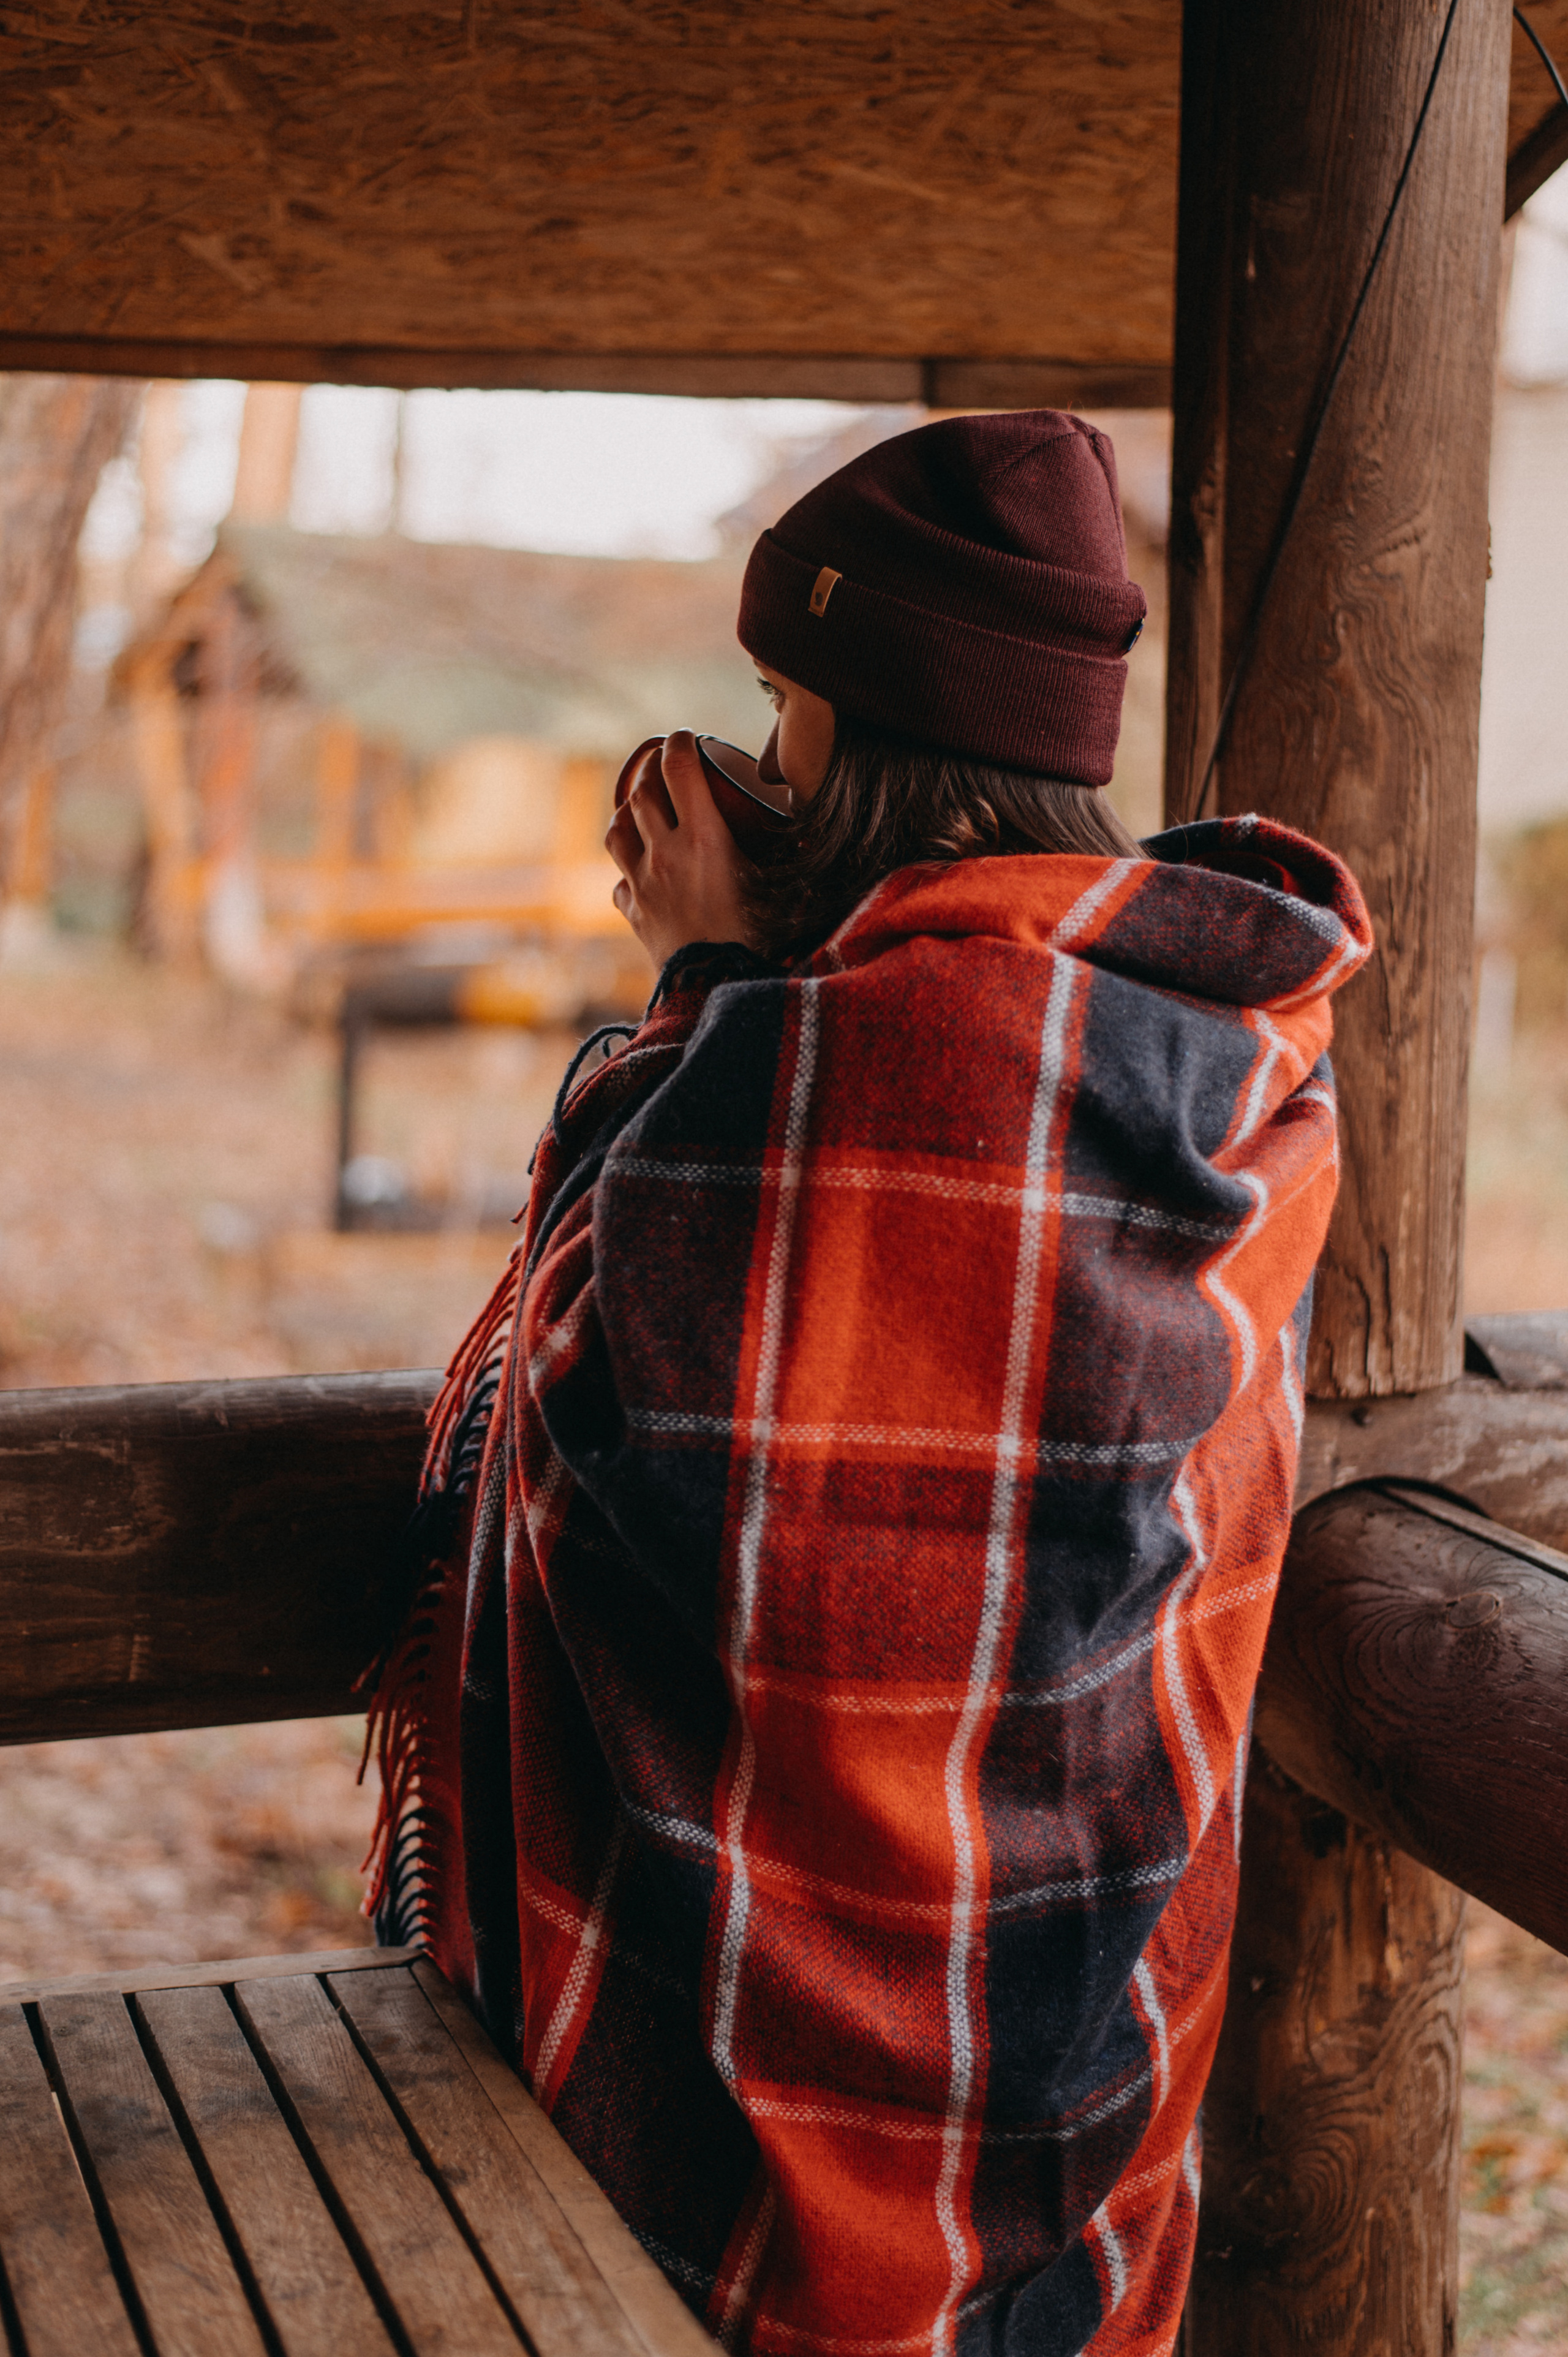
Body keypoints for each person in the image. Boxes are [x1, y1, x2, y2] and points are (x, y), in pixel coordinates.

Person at [368, 411, 1371, 2357]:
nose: (752, 751)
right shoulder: (1223, 1043)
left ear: (865, 737)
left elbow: (597, 1411)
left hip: (751, 2106)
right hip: (1083, 2051)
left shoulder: (831, 1062)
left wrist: (704, 988)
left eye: (781, 697)